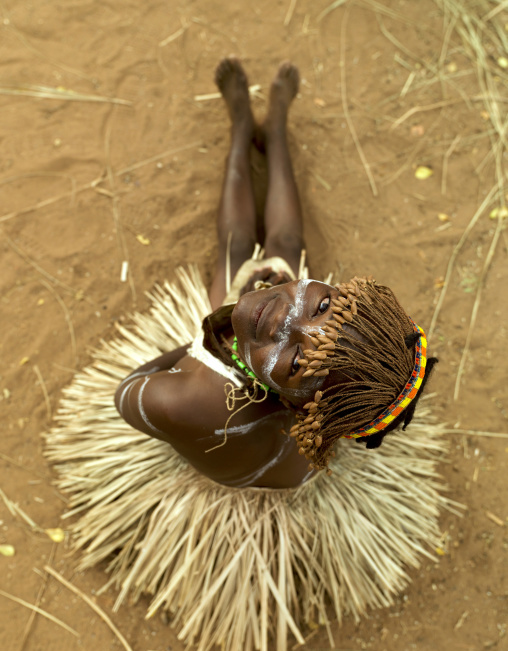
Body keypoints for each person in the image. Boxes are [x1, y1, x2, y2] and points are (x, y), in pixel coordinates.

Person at [114, 57, 436, 490]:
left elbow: (127, 390)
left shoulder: (186, 400)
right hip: (268, 371)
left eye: (300, 359)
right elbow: (310, 348)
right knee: (285, 244)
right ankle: (276, 129)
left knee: (238, 245)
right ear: (346, 292)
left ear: (299, 410)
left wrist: (204, 344)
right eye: (325, 306)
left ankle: (242, 133)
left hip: (229, 372)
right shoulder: (324, 404)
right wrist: (287, 355)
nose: (287, 317)